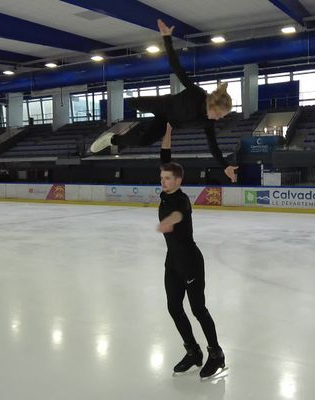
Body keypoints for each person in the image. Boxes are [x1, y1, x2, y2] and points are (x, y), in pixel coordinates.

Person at [91, 18, 238, 183]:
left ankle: (112, 139)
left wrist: (225, 166)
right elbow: (177, 67)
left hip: (166, 121)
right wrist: (167, 39)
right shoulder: (196, 93)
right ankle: (126, 123)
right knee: (132, 103)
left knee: (144, 141)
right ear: (212, 104)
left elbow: (214, 147)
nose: (219, 118)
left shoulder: (207, 123)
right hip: (162, 105)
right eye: (219, 114)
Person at [157, 125, 225, 378]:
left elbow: (178, 215)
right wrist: (168, 130)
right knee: (174, 307)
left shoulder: (181, 200)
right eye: (162, 178)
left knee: (198, 309)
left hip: (190, 263)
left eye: (168, 179)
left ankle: (216, 354)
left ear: (179, 181)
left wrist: (169, 221)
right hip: (172, 262)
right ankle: (193, 351)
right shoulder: (166, 194)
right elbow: (165, 157)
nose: (163, 181)